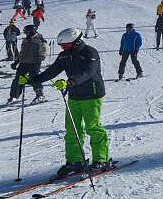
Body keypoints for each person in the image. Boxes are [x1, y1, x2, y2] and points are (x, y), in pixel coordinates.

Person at [27, 28, 111, 177]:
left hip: (92, 95)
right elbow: (51, 71)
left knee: (93, 127)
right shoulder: (64, 56)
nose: (62, 48)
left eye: (65, 45)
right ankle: (75, 161)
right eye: (61, 46)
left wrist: (70, 82)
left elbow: (89, 72)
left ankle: (101, 160)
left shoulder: (90, 53)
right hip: (74, 96)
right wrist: (32, 80)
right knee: (72, 129)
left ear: (76, 42)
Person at [10, 24, 46, 104]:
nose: (25, 33)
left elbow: (43, 51)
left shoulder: (39, 39)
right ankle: (14, 96)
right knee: (17, 80)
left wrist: (39, 60)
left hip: (34, 63)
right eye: (25, 31)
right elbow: (22, 53)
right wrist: (16, 62)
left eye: (27, 31)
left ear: (32, 31)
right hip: (23, 63)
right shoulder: (25, 40)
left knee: (34, 79)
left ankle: (40, 95)